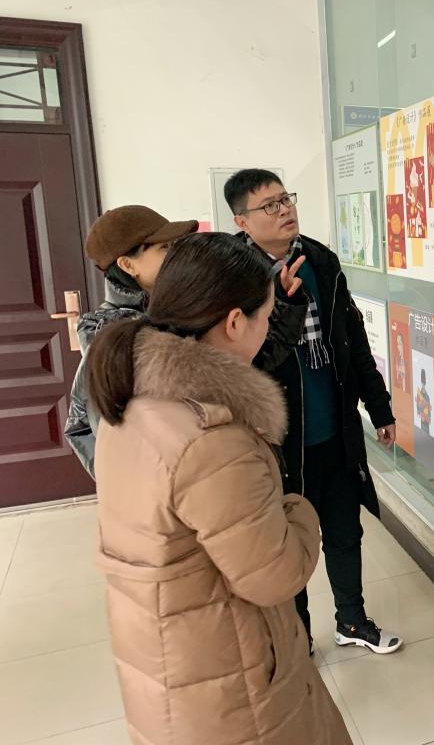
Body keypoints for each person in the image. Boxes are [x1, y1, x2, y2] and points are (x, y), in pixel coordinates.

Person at [86, 233, 350, 745]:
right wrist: (298, 509)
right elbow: (275, 574)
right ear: (234, 323)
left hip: (169, 658)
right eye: (266, 315)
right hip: (229, 678)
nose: (268, 328)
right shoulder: (211, 438)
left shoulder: (130, 398)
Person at [225, 169, 402, 655]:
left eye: (286, 199)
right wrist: (282, 304)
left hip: (335, 428)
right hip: (279, 440)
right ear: (242, 221)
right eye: (270, 205)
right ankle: (297, 638)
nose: (285, 209)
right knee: (289, 544)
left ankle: (352, 621)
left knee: (345, 531)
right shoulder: (234, 278)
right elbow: (241, 364)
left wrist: (379, 407)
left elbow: (352, 339)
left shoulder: (320, 260)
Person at [65, 205, 199, 476]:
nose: (176, 255)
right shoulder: (114, 334)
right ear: (128, 264)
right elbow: (97, 430)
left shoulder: (170, 310)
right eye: (164, 248)